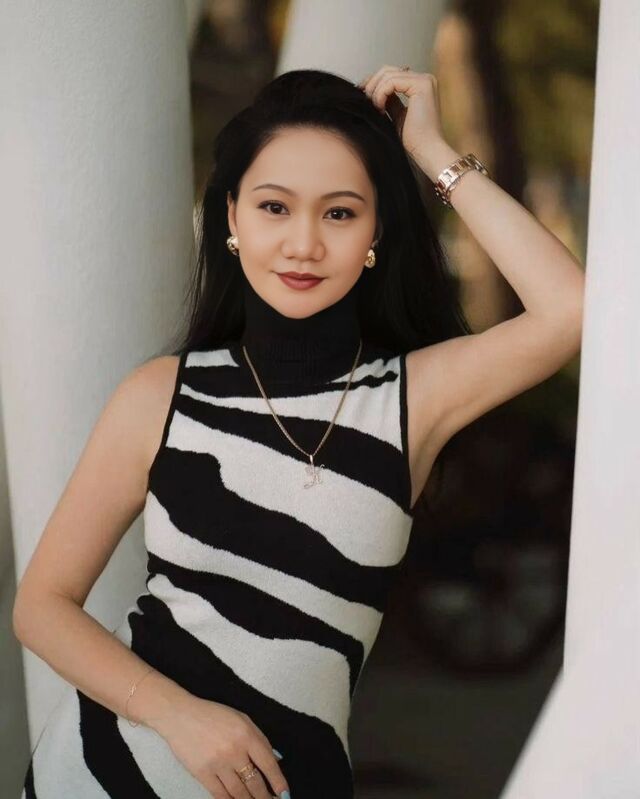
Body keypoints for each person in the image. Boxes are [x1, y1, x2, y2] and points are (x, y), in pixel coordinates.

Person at [13, 67, 584, 799]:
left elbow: (568, 309)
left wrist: (432, 150)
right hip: (100, 775)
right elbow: (43, 605)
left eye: (340, 213)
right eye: (274, 207)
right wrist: (178, 715)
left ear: (376, 232)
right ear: (233, 217)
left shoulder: (411, 399)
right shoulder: (161, 395)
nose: (303, 243)